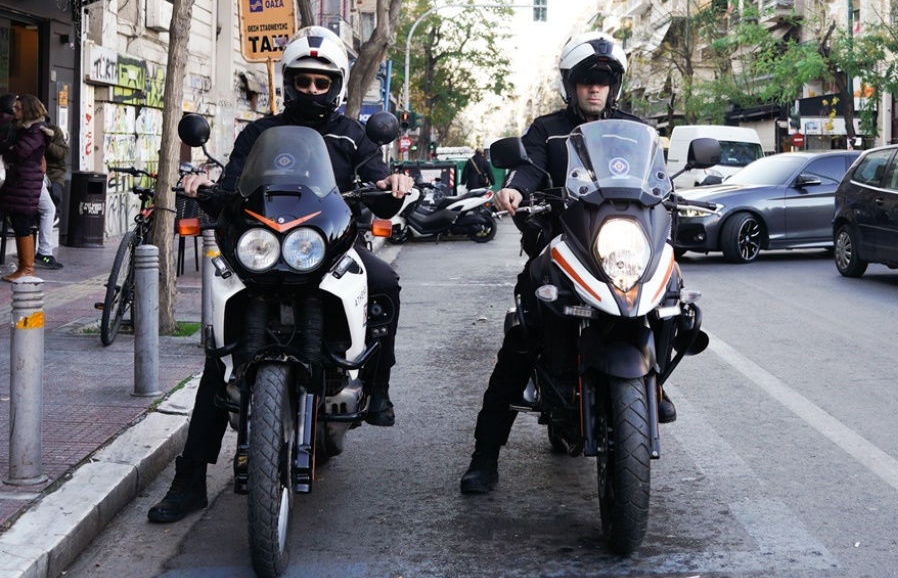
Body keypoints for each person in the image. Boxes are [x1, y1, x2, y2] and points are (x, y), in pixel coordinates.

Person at [148, 26, 414, 523]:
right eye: (303, 80)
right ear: (289, 82)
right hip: (266, 251)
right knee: (220, 359)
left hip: (329, 248)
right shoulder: (260, 134)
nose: (311, 89)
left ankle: (378, 387)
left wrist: (392, 182)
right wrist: (205, 185)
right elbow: (233, 183)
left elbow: (379, 183)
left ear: (335, 85)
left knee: (385, 284)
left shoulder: (352, 135)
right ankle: (189, 482)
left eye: (321, 82)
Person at [458, 32, 676, 495]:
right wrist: (514, 189)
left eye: (604, 80)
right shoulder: (546, 129)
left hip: (618, 247)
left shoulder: (635, 130)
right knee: (523, 335)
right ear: (570, 84)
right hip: (562, 243)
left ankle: (653, 382)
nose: (595, 88)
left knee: (672, 294)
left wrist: (676, 198)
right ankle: (485, 455)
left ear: (614, 86)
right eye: (585, 80)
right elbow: (529, 168)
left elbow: (660, 183)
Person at [0, 94, 49, 282]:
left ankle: (27, 268)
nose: (14, 110)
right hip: (20, 182)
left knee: (21, 223)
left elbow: (18, 152)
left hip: (25, 183)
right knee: (18, 221)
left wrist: (9, 149)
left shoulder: (35, 131)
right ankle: (24, 267)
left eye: (18, 108)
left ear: (28, 110)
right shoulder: (22, 128)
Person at [31, 118, 68, 270]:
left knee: (53, 198)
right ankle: (38, 255)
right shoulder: (27, 130)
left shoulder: (54, 132)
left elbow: (62, 153)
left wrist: (47, 142)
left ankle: (40, 253)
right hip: (34, 175)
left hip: (52, 174)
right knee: (45, 210)